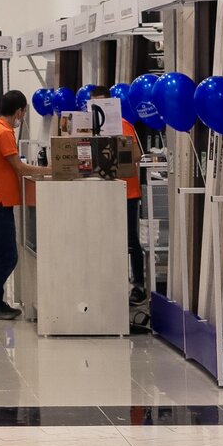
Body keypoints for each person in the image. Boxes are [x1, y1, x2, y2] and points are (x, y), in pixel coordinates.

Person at [0, 90, 51, 319]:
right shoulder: (4, 133)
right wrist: (49, 170)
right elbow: (19, 168)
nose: (23, 117)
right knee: (9, 255)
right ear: (19, 111)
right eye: (23, 112)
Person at [91, 85, 146, 304]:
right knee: (105, 238)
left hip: (127, 192)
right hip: (102, 191)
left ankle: (138, 284)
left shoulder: (124, 125)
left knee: (130, 239)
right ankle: (109, 282)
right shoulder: (90, 129)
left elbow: (137, 155)